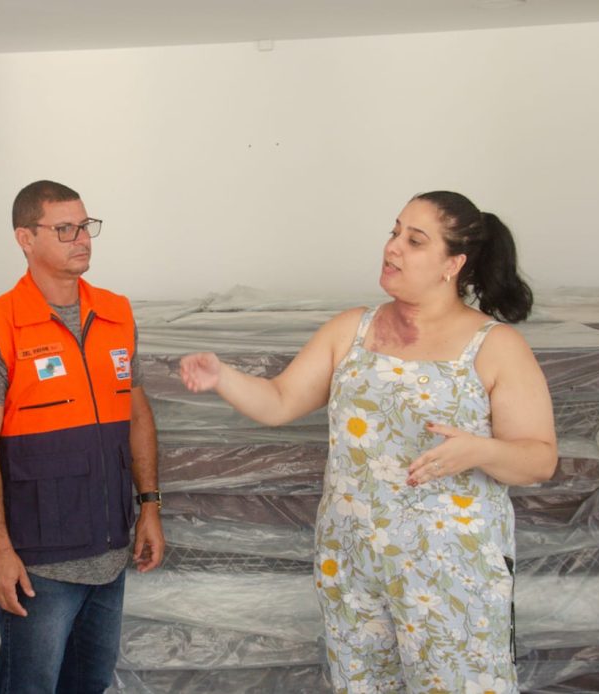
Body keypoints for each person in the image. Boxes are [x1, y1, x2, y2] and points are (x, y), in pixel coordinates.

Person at [181, 191, 557, 693]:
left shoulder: (495, 346)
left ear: (453, 264)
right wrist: (222, 377)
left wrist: (480, 450)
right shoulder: (351, 331)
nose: (393, 247)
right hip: (352, 563)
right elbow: (279, 400)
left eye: (415, 241)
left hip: (452, 573)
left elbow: (539, 459)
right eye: (394, 231)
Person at [0, 180, 165, 693]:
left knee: (89, 685)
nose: (82, 238)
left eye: (85, 226)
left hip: (111, 552)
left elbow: (136, 416)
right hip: (39, 564)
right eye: (65, 229)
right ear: (25, 238)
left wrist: (150, 507)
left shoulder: (115, 314)